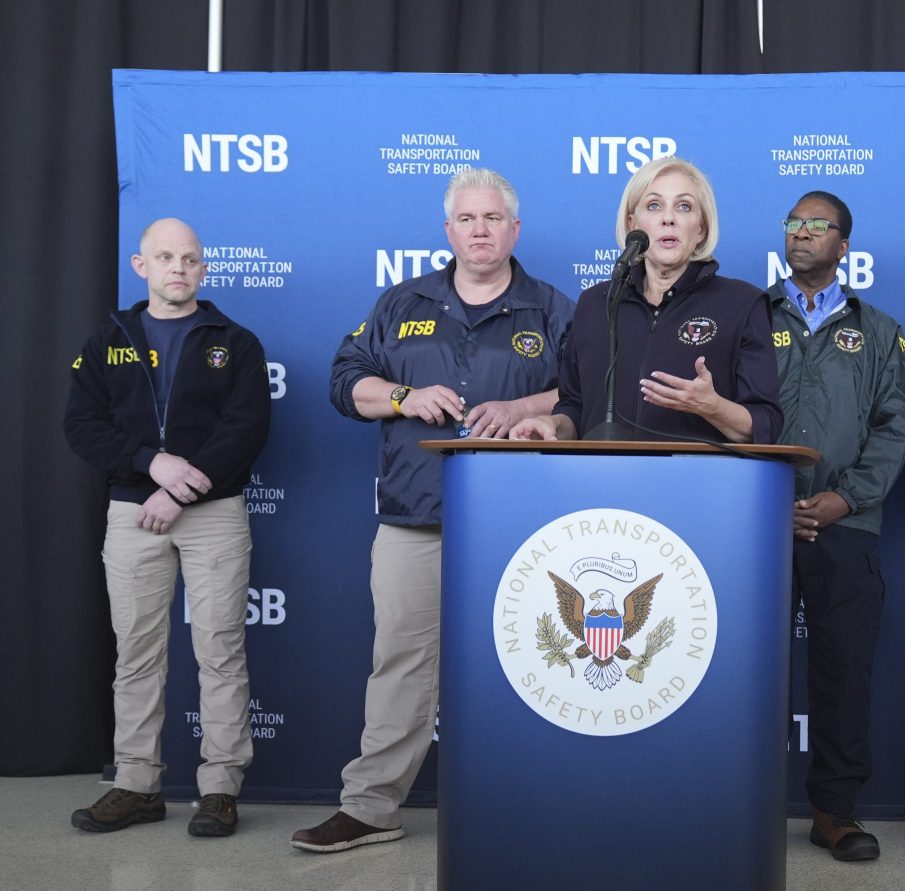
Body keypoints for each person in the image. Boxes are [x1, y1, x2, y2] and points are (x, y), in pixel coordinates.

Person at [292, 168, 573, 852]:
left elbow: (590, 395)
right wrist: (401, 398)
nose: (481, 229)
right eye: (468, 219)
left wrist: (523, 407)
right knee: (401, 662)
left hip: (524, 524)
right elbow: (343, 383)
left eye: (493, 217)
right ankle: (369, 806)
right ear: (449, 230)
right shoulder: (401, 301)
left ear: (515, 228)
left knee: (535, 662)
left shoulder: (554, 308)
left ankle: (535, 805)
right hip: (414, 517)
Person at [64, 218, 272, 838]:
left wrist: (182, 487)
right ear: (141, 266)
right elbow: (82, 426)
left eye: (189, 259)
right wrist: (150, 464)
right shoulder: (106, 342)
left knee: (219, 651)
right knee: (136, 655)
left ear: (203, 270)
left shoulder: (236, 343)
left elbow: (246, 429)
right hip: (133, 514)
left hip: (212, 514)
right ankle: (135, 784)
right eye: (165, 258)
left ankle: (219, 790)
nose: (178, 268)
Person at [768, 191, 905, 861]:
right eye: (794, 223)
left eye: (817, 225)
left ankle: (835, 811)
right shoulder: (748, 315)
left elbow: (894, 426)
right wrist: (764, 494)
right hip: (752, 525)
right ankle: (731, 798)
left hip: (845, 525)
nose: (802, 233)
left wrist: (843, 499)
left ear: (844, 244)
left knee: (842, 670)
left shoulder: (878, 330)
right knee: (743, 670)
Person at [510, 156, 781, 443]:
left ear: (701, 228)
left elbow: (767, 424)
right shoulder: (594, 303)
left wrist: (712, 408)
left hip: (699, 483)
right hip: (600, 483)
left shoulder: (741, 303)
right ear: (632, 224)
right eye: (654, 205)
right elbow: (575, 407)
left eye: (684, 206)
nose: (668, 218)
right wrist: (550, 424)